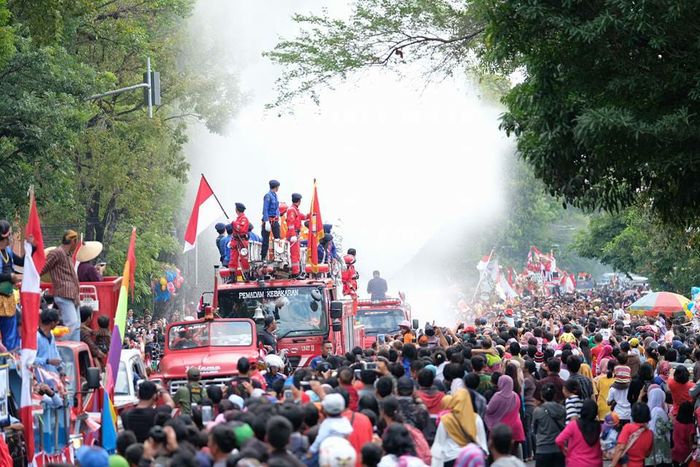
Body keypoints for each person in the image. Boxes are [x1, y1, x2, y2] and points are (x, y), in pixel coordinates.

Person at [41, 229, 81, 341]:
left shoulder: (68, 254)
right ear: (73, 241)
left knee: (77, 326)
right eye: (76, 242)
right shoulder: (56, 252)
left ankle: (74, 353)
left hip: (73, 294)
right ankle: (59, 346)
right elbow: (43, 268)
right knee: (72, 323)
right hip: (63, 293)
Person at [431, 388, 488, 466]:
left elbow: (439, 444)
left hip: (450, 458)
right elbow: (482, 441)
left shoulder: (446, 419)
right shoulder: (476, 418)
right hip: (471, 457)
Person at [555, 399, 602, 467]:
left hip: (576, 462)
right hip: (596, 463)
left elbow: (558, 440)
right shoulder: (598, 426)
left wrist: (564, 449)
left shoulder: (574, 425)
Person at [485, 375, 525, 454]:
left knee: (501, 453)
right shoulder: (515, 395)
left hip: (502, 430)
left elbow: (489, 409)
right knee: (513, 452)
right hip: (516, 428)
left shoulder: (498, 396)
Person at [0, 220, 23, 351]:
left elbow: (21, 261)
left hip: (8, 299)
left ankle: (11, 366)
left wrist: (32, 248)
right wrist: (10, 277)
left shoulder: (8, 251)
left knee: (10, 336)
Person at [532, 384, 566, 467]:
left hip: (542, 449)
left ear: (541, 396)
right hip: (559, 448)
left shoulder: (537, 411)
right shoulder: (562, 409)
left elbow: (534, 430)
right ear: (555, 395)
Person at [610, 403, 653, 467]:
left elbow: (620, 448)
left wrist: (612, 465)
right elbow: (647, 454)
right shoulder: (650, 433)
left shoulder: (628, 428)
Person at [647, 386, 672, 467]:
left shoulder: (651, 409)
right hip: (660, 445)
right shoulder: (658, 411)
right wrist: (671, 421)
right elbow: (661, 430)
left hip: (652, 443)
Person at [36, 308, 63, 374]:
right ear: (52, 323)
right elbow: (29, 360)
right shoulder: (36, 337)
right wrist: (47, 361)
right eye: (57, 322)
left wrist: (61, 370)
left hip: (53, 378)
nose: (58, 323)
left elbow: (56, 355)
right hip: (40, 380)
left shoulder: (52, 336)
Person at [228, 203, 250, 280]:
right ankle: (232, 276)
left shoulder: (244, 219)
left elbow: (240, 229)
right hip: (235, 240)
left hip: (242, 241)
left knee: (244, 259)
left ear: (237, 210)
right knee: (233, 259)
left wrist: (233, 223)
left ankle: (246, 275)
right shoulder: (238, 219)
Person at [286, 193, 306, 277]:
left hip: (295, 235)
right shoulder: (292, 210)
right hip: (292, 236)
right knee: (294, 255)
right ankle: (295, 273)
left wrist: (312, 213)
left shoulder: (295, 210)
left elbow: (303, 217)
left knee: (297, 254)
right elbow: (290, 224)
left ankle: (296, 272)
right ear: (299, 201)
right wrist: (293, 235)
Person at [261, 179, 281, 261]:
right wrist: (266, 221)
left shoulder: (275, 195)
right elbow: (265, 209)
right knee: (265, 239)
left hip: (275, 220)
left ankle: (278, 256)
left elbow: (277, 208)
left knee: (277, 239)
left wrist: (278, 217)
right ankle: (263, 257)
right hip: (268, 220)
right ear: (276, 187)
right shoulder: (268, 196)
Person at [671, 401, 694, 466]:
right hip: (686, 454)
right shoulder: (691, 426)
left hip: (675, 452)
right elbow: (690, 442)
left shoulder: (676, 422)